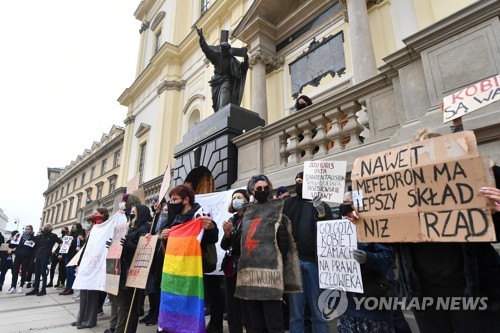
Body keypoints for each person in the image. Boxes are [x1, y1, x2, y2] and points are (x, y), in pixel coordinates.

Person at [235, 174, 302, 333]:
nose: (263, 191)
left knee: (274, 325)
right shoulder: (244, 213)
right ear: (252, 191)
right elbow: (238, 245)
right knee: (256, 326)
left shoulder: (278, 209)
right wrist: (230, 233)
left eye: (266, 188)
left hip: (270, 277)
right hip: (249, 278)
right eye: (259, 188)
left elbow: (284, 244)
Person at [158, 184, 219, 333]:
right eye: (171, 200)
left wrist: (211, 228)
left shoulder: (199, 215)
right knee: (174, 304)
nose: (172, 203)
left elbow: (212, 238)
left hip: (192, 272)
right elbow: (171, 246)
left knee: (189, 305)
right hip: (175, 273)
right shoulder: (175, 218)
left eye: (175, 199)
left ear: (186, 200)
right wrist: (165, 238)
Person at [283, 172, 333, 333]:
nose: (299, 183)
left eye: (303, 181)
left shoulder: (322, 205)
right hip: (294, 265)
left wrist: (321, 213)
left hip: (315, 264)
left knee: (318, 312)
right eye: (297, 181)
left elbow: (329, 233)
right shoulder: (288, 203)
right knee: (296, 314)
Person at [338, 201, 395, 333]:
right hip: (348, 305)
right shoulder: (340, 230)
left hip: (371, 302)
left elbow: (388, 258)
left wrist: (368, 257)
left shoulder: (375, 227)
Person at [114, 204, 152, 333]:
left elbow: (145, 249)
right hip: (124, 268)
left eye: (133, 212)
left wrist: (128, 244)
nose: (131, 214)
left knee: (131, 305)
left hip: (134, 270)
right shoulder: (132, 227)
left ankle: (128, 330)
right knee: (125, 303)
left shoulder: (145, 228)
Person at [72, 208, 110, 329]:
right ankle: (81, 317)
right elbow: (86, 248)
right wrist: (79, 263)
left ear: (104, 215)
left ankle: (90, 320)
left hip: (96, 265)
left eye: (96, 214)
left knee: (92, 293)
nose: (94, 215)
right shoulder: (92, 230)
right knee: (84, 292)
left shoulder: (106, 228)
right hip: (87, 263)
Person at [196, 26, 249, 112]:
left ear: (227, 50)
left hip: (225, 81)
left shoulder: (231, 60)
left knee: (224, 97)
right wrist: (201, 37)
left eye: (223, 49)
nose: (221, 50)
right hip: (216, 82)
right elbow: (207, 50)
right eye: (221, 48)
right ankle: (219, 115)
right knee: (215, 104)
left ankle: (223, 113)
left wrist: (246, 59)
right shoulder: (216, 56)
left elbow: (241, 69)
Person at [221, 189, 249, 333]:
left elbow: (244, 244)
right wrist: (226, 235)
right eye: (234, 198)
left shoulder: (250, 218)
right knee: (232, 308)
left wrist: (231, 233)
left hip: (245, 267)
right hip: (231, 268)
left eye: (239, 197)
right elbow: (224, 245)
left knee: (246, 308)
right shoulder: (232, 219)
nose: (236, 200)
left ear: (246, 200)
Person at [26, 223, 62, 296]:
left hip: (45, 256)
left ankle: (43, 290)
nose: (46, 227)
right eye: (45, 226)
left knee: (43, 273)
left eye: (48, 226)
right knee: (37, 273)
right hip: (38, 256)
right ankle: (36, 289)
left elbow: (60, 242)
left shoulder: (53, 236)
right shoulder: (40, 236)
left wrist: (58, 251)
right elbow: (32, 239)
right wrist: (29, 234)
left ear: (51, 228)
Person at [7, 225, 36, 294]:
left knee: (23, 272)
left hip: (26, 256)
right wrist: (11, 240)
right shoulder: (20, 236)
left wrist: (32, 242)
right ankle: (13, 286)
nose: (26, 230)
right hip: (18, 255)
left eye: (28, 229)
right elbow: (12, 246)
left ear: (31, 230)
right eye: (25, 229)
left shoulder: (33, 238)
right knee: (15, 271)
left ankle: (21, 287)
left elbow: (34, 248)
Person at [59, 223, 85, 295]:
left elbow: (79, 246)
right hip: (67, 255)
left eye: (75, 227)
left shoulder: (79, 236)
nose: (74, 228)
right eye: (73, 227)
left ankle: (71, 288)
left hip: (73, 255)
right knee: (68, 272)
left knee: (71, 272)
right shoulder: (69, 236)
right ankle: (67, 287)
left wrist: (71, 245)